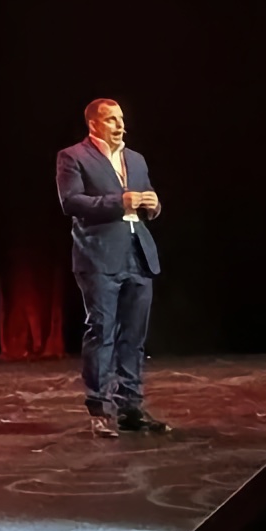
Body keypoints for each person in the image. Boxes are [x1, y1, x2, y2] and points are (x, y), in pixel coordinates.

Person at [55, 99, 172, 438]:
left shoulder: (135, 159)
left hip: (138, 254)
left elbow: (146, 199)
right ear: (93, 124)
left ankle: (131, 407)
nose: (119, 125)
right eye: (110, 120)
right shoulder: (73, 156)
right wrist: (119, 202)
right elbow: (71, 202)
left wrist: (153, 204)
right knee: (102, 331)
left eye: (120, 118)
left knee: (133, 337)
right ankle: (100, 410)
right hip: (100, 255)